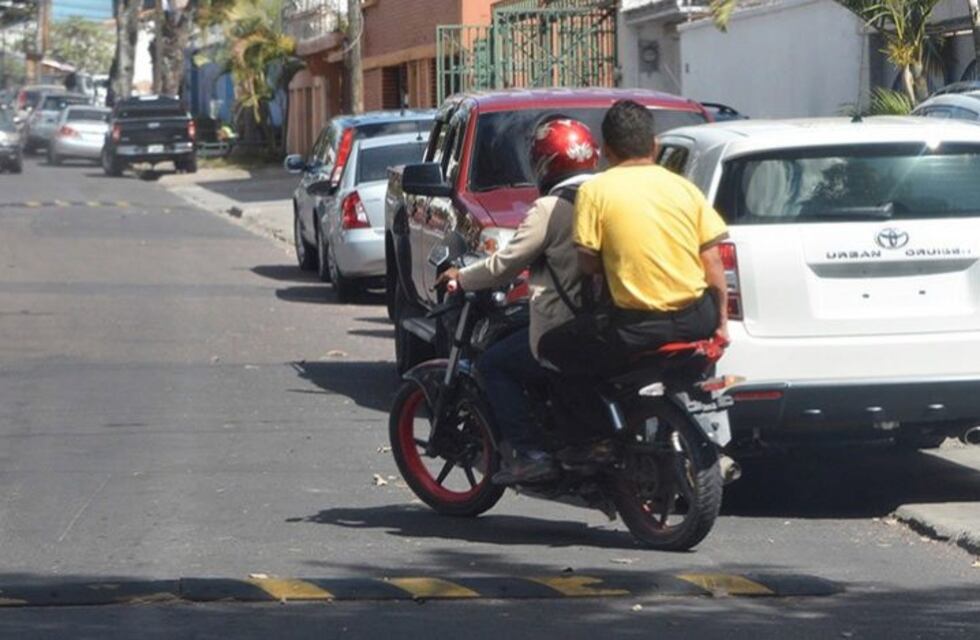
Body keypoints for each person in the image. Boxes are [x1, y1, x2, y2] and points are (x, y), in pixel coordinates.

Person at [434, 117, 600, 484]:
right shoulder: (609, 196)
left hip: (571, 324)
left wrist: (462, 276)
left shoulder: (550, 207)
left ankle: (529, 453)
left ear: (543, 163)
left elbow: (506, 263)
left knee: (495, 364)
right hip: (618, 317)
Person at [539, 99, 729, 375]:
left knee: (551, 347)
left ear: (606, 151)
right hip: (696, 320)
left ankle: (605, 404)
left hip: (636, 328)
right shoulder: (686, 189)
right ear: (655, 146)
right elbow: (712, 261)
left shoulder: (594, 191)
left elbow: (587, 264)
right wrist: (722, 323)